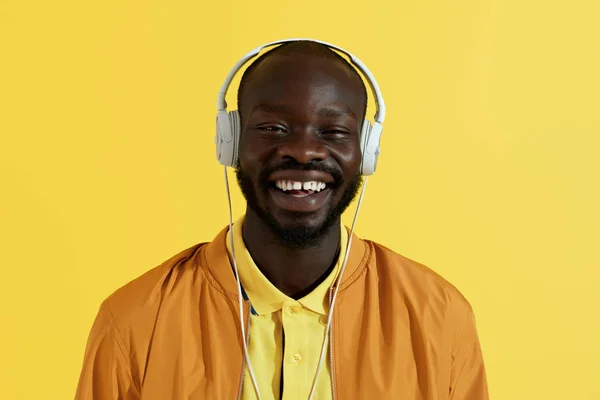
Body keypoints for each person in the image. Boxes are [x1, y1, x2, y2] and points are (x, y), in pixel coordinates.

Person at [75, 39, 489, 400]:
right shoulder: (134, 321)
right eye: (273, 127)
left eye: (334, 131)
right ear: (230, 142)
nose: (305, 151)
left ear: (367, 150)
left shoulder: (441, 318)